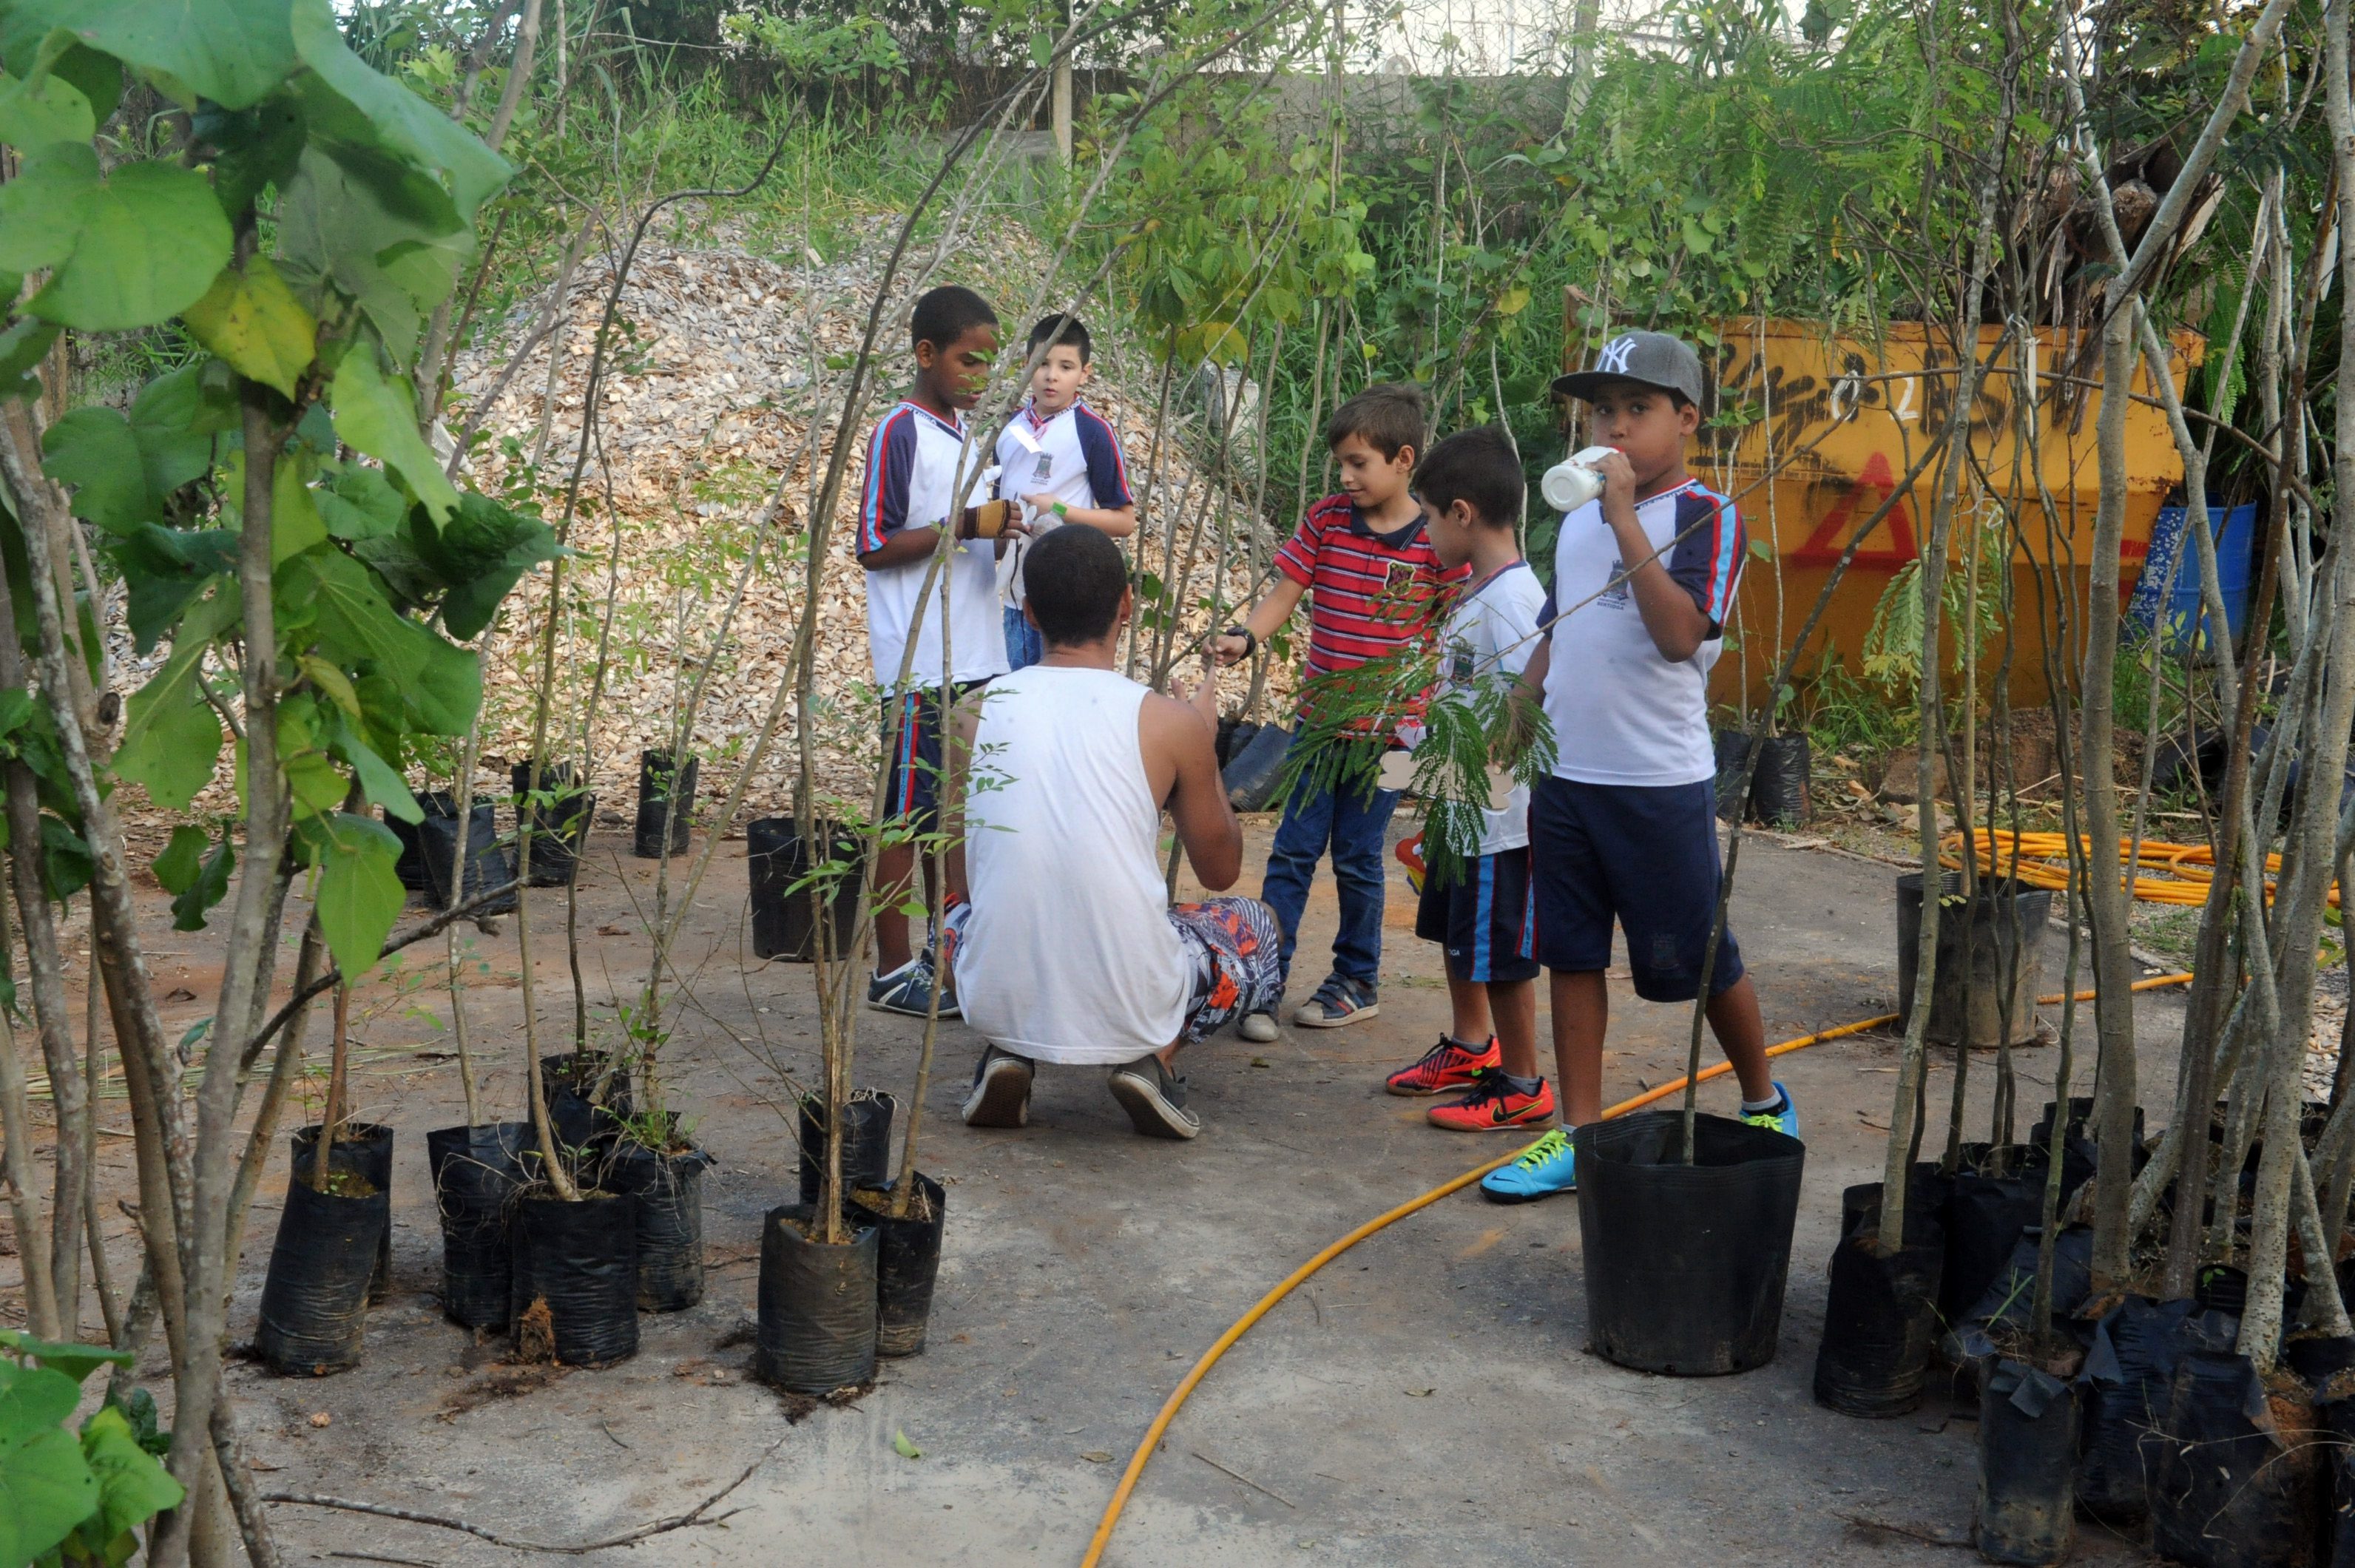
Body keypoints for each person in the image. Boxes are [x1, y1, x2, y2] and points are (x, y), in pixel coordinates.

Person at [1481, 330, 1798, 1204]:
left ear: (1686, 419)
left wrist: (1624, 516)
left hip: (1656, 782)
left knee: (1696, 954)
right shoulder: (1577, 518)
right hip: (1569, 776)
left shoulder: (1706, 514)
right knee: (1570, 952)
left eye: (1636, 410)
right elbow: (1562, 619)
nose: (1613, 428)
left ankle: (1764, 1098)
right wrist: (1522, 706)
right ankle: (1578, 1133)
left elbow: (1676, 637)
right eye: (1601, 411)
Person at [942, 524, 1280, 1139]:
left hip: (991, 986)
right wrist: (1202, 746)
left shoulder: (971, 712)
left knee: (954, 913)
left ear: (1030, 612)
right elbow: (1220, 871)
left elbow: (960, 876)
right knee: (1257, 923)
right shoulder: (1169, 723)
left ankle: (1006, 1049)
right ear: (1127, 603)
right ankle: (1154, 1061)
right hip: (1136, 1000)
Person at [1212, 384, 1467, 1039]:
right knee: (1292, 854)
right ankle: (1266, 985)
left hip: (1389, 738)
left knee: (1357, 857)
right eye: (1341, 464)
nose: (1347, 476)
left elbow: (1455, 631)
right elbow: (1286, 591)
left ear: (1403, 458)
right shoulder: (1327, 521)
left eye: (1359, 463)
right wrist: (1247, 636)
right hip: (1318, 730)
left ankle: (1357, 980)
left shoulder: (1435, 542)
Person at [1377, 429, 1552, 1132]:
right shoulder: (1479, 591)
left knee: (1500, 951)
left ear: (1461, 513)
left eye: (1423, 515)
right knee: (1458, 937)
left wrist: (1406, 767)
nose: (1422, 532)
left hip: (1499, 819)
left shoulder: (1515, 604)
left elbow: (1515, 731)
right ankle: (1472, 1048)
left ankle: (1522, 1083)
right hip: (1461, 806)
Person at [855, 284, 1016, 1018]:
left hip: (977, 654)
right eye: (966, 361)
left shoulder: (970, 438)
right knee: (903, 814)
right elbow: (873, 543)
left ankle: (944, 952)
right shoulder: (900, 431)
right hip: (920, 661)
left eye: (989, 365)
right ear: (926, 354)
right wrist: (964, 524)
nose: (978, 377)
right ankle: (891, 966)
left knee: (956, 819)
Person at [993, 314, 1138, 671]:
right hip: (1010, 599)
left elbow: (1124, 521)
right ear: (1026, 366)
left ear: (1084, 374)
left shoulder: (1091, 431)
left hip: (1063, 606)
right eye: (1041, 364)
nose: (1051, 376)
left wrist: (1055, 508)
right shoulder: (1009, 426)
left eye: (1066, 366)